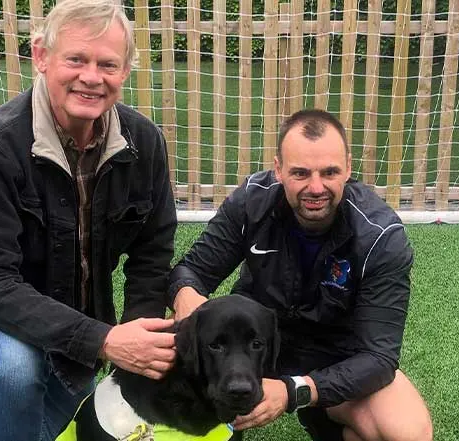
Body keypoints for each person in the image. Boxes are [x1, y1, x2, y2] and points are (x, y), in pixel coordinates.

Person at [0, 1, 178, 440]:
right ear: (42, 57)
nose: (91, 77)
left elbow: (153, 252)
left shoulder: (145, 142)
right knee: (15, 368)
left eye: (108, 64)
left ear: (125, 72)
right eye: (76, 59)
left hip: (77, 309)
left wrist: (139, 341)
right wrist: (104, 341)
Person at [168, 109, 433, 441]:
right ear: (278, 169)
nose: (316, 187)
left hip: (335, 357)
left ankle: (327, 419)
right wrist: (187, 296)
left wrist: (295, 392)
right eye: (301, 173)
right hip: (253, 345)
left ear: (348, 168)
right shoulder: (252, 202)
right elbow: (191, 270)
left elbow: (379, 358)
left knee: (406, 433)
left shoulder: (381, 236)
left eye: (330, 172)